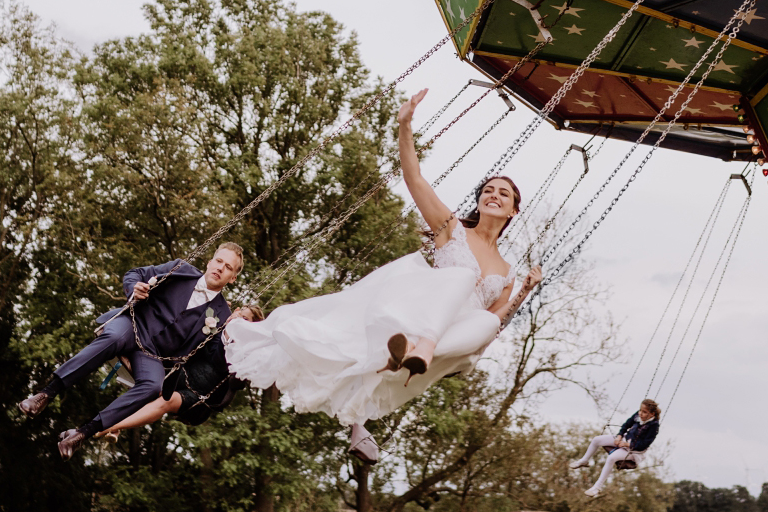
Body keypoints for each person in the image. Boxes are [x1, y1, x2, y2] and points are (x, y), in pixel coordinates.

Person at [222, 87, 543, 464]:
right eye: (488, 190)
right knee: (458, 280)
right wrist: (405, 125)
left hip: (452, 337)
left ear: (513, 211)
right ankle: (408, 355)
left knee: (486, 325)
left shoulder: (505, 272)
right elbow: (415, 180)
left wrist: (522, 291)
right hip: (419, 310)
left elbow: (495, 318)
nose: (493, 195)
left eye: (503, 193)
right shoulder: (452, 229)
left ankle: (409, 357)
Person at [16, 244, 248, 459]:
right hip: (133, 326)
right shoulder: (180, 269)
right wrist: (134, 290)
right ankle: (46, 394)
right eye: (218, 261)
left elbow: (215, 358)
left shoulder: (222, 315)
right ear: (210, 261)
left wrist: (232, 336)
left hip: (155, 355)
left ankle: (82, 434)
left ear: (233, 277)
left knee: (153, 386)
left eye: (228, 267)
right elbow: (134, 274)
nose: (220, 268)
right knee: (113, 337)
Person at [95, 304, 264, 438]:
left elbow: (236, 384)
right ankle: (116, 423)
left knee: (166, 401)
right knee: (151, 381)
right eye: (241, 316)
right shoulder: (216, 323)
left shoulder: (242, 352)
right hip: (181, 375)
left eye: (247, 322)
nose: (241, 321)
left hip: (200, 398)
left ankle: (111, 426)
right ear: (234, 311)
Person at [569, 399, 661, 497]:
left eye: (644, 412)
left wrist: (626, 445)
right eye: (640, 410)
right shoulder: (638, 415)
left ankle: (597, 488)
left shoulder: (654, 426)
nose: (640, 413)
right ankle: (584, 460)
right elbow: (626, 425)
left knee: (612, 457)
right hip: (625, 439)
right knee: (597, 440)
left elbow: (644, 444)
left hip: (634, 451)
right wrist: (619, 436)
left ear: (652, 414)